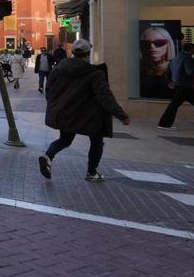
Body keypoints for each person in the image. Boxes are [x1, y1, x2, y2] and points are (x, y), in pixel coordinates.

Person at [38, 39, 130, 182]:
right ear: (88, 53)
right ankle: (92, 172)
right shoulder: (95, 73)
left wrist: (55, 105)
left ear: (72, 52)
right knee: (97, 141)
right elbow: (105, 96)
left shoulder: (58, 69)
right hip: (89, 116)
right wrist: (121, 115)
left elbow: (49, 90)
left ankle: (48, 156)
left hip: (65, 112)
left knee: (65, 139)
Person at [139, 25, 177, 98]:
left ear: (169, 44)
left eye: (159, 43)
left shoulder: (174, 67)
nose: (152, 47)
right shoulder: (138, 67)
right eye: (146, 43)